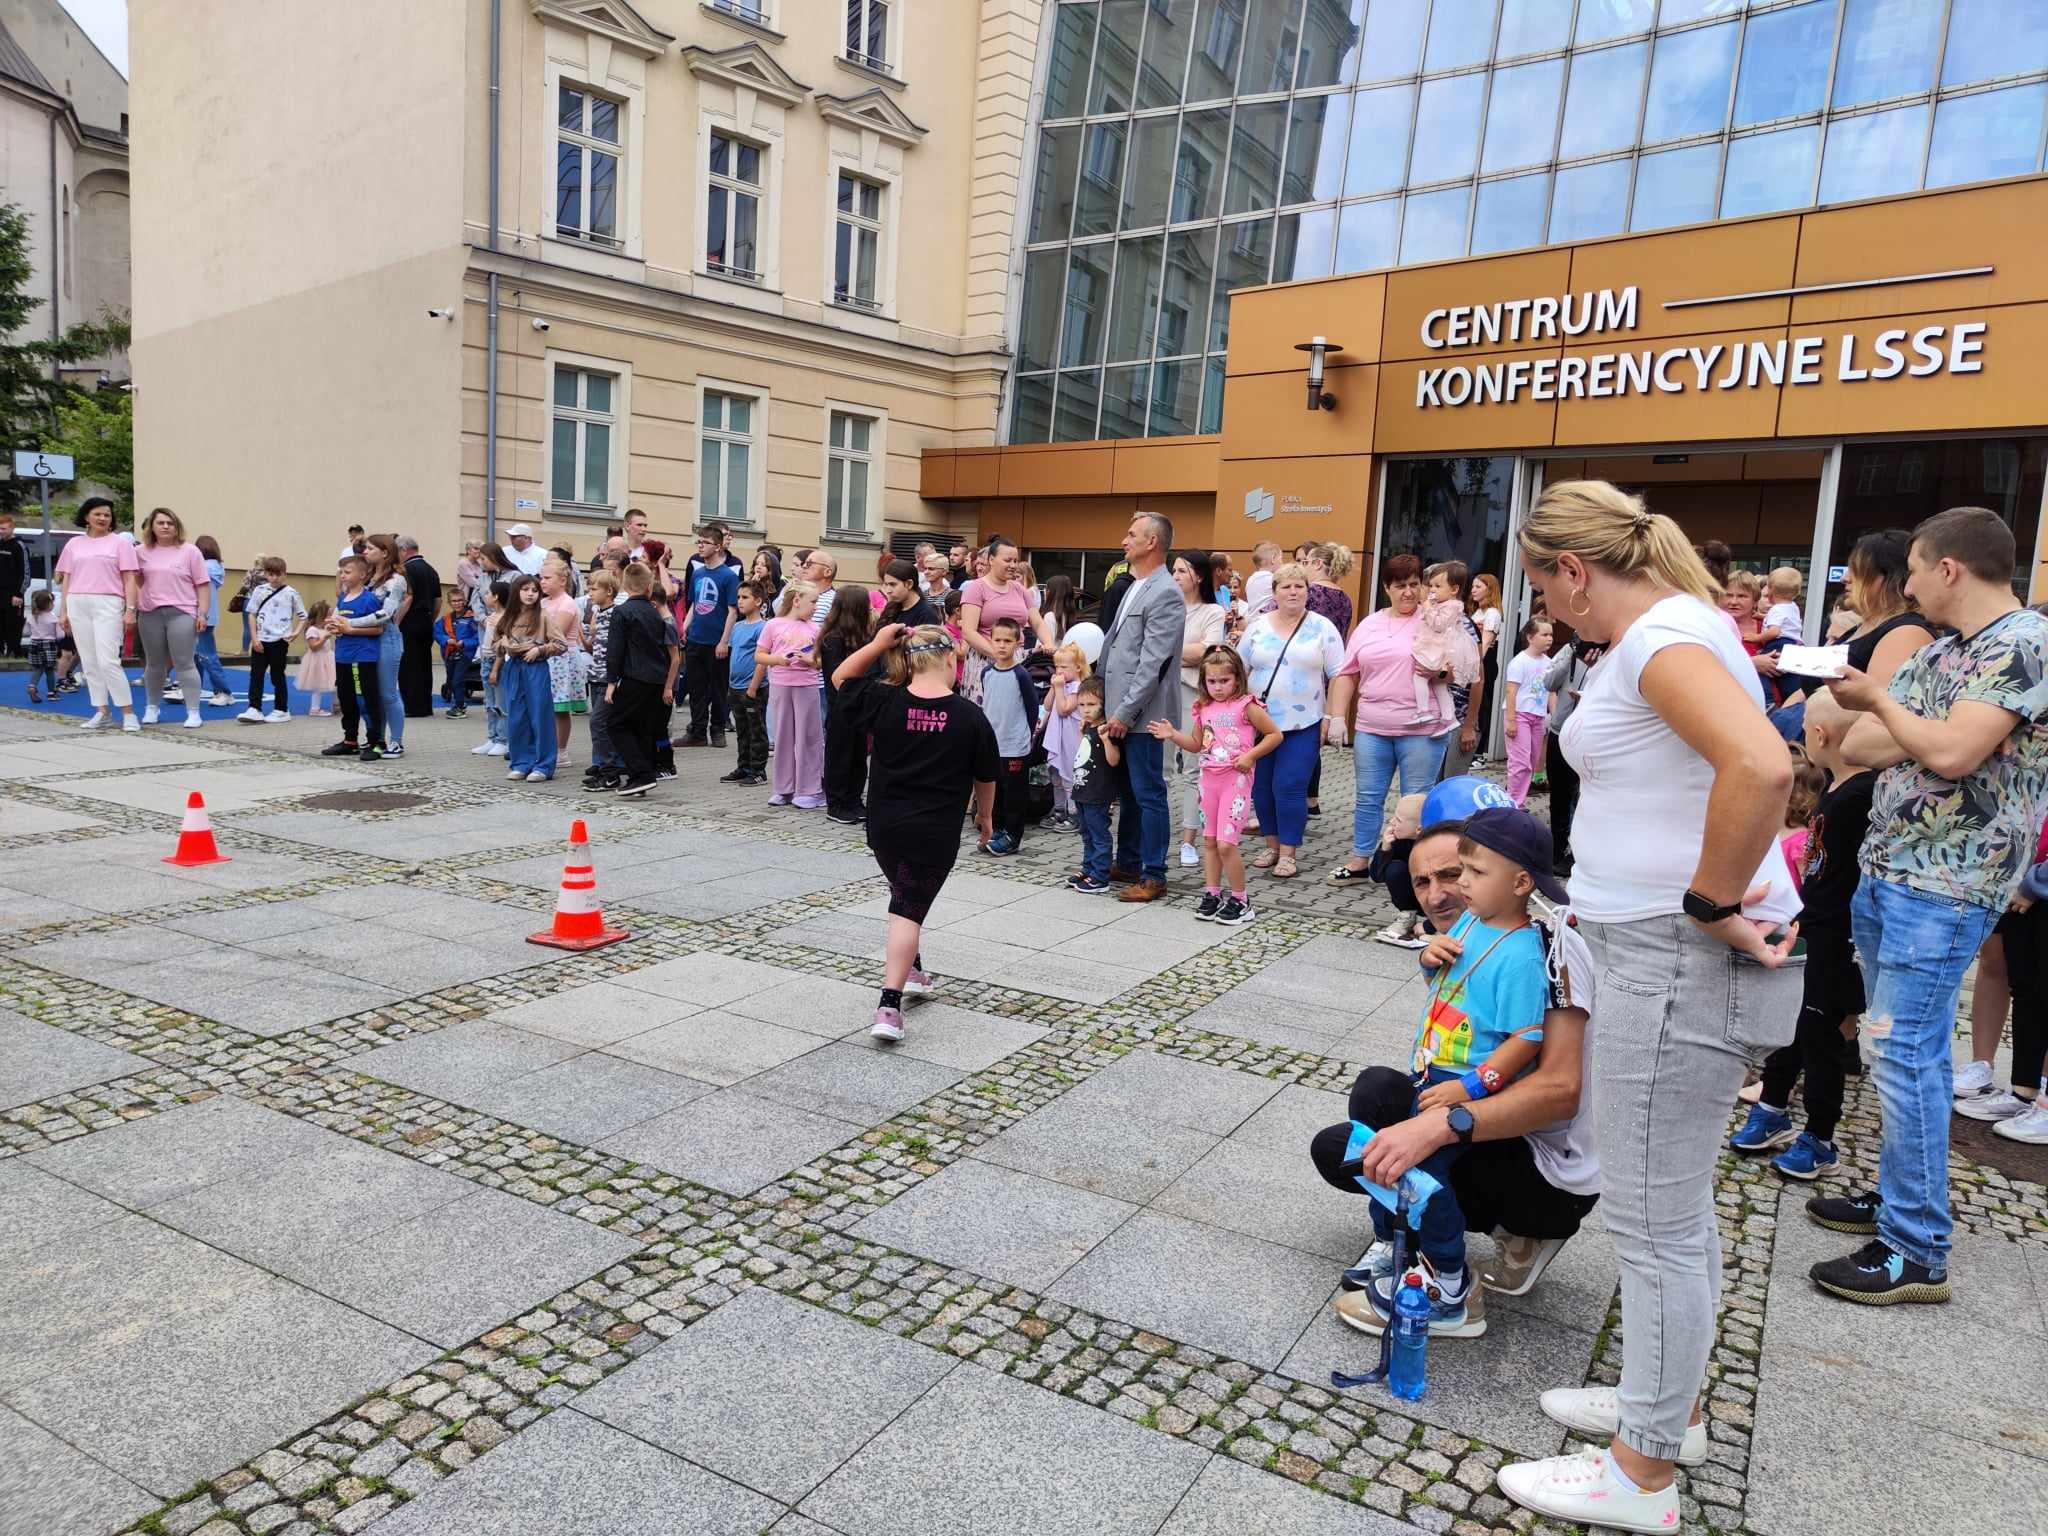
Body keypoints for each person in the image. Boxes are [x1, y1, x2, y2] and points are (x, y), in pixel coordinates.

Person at [1496, 480, 1800, 1536]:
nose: (1547, 611)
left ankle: (1641, 1471)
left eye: (1542, 588)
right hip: (1652, 952)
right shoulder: (1677, 627)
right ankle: (1668, 1408)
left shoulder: (1658, 636)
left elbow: (1761, 764)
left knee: (1652, 1223)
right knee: (1671, 1213)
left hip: (1671, 958)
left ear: (1571, 570)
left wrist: (1710, 898)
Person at [1817, 505, 2048, 1304]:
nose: (1905, 584)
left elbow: (1947, 750)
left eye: (1913, 569)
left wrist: (1889, 708)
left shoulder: (2024, 644)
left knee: (1910, 1054)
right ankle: (1901, 1197)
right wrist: (1905, 721)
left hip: (1947, 885)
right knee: (1891, 1048)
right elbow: (1859, 750)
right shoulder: (1947, 650)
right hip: (1892, 873)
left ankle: (1916, 1250)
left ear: (1949, 568)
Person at [1316, 815, 1604, 1318]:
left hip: (1535, 1154)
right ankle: (1398, 1242)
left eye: (1460, 873)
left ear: (1518, 882)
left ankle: (1449, 1283)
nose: (1445, 891)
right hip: (1457, 1090)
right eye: (1424, 881)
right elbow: (1463, 1000)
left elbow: (1553, 1079)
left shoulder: (1545, 947)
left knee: (1403, 1160)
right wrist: (1427, 961)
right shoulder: (1476, 921)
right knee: (1372, 1102)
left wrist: (1450, 1113)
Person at [1729, 691, 1874, 1180]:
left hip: (1836, 937)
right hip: (1807, 925)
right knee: (1789, 1024)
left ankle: (1821, 1136)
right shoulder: (1836, 787)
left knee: (1820, 1037)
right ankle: (1772, 1108)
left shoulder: (1861, 795)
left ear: (1820, 735)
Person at [834, 622, 998, 1041]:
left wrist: (874, 644)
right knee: (906, 906)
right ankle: (889, 1005)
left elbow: (841, 678)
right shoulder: (971, 716)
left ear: (907, 661)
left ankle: (914, 973)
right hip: (934, 832)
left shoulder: (883, 699)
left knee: (907, 895)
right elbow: (985, 778)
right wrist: (986, 818)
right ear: (950, 661)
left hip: (884, 827)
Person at [1325, 555, 1455, 884]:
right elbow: (1346, 673)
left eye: (1415, 585)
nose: (1409, 593)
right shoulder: (1370, 624)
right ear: (1387, 588)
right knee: (1368, 797)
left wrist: (1439, 671)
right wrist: (1337, 716)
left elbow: (1463, 669)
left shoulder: (1436, 620)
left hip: (1422, 729)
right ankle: (1360, 860)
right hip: (1372, 727)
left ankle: (1413, 867)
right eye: (1400, 586)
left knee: (1415, 800)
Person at [1147, 646, 1280, 925]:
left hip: (1236, 780)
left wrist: (1250, 755)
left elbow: (1274, 735)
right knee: (1209, 841)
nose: (1218, 687)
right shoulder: (1203, 708)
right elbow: (1196, 744)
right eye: (1212, 681)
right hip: (1209, 781)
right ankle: (1212, 893)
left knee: (1226, 844)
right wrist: (1172, 734)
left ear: (1237, 679)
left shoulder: (1248, 706)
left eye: (1224, 681)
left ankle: (1241, 900)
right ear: (1204, 682)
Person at [1234, 563, 1344, 881]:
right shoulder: (1257, 627)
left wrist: (1331, 717)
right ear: (1274, 593)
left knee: (1290, 786)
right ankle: (1271, 845)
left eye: (1299, 586)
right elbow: (1238, 667)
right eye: (1286, 587)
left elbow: (1339, 673)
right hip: (1259, 723)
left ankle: (1289, 852)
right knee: (1262, 789)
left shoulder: (1323, 628)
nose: (1293, 592)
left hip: (1304, 722)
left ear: (1308, 592)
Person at [1100, 513, 1184, 902]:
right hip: (1120, 710)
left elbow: (1153, 663)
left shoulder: (1165, 591)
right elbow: (1116, 647)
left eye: (1131, 534)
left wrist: (1125, 713)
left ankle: (1154, 873)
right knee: (1131, 794)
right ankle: (1129, 861)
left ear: (1152, 542)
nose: (1123, 540)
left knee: (1149, 793)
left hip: (1144, 716)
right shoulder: (1136, 585)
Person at [54, 498, 141, 732]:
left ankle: (128, 713)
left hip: (108, 602)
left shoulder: (120, 544)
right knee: (90, 662)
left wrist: (130, 610)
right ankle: (102, 711)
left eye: (107, 515)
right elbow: (67, 578)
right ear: (86, 517)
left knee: (108, 660)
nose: (103, 518)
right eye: (98, 514)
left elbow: (130, 578)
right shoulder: (74, 544)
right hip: (77, 602)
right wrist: (63, 611)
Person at [1171, 550, 1228, 869]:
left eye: (1182, 570)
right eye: (1174, 570)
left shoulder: (1211, 612)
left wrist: (1169, 650)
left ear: (1200, 576)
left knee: (1194, 768)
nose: (1175, 576)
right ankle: (1157, 834)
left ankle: (1189, 840)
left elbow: (1209, 651)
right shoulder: (1166, 607)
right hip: (1161, 692)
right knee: (1162, 769)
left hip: (1193, 695)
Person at [134, 508, 213, 729]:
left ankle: (193, 711)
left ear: (176, 526)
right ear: (152, 527)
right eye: (160, 523)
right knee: (154, 664)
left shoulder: (190, 552)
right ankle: (152, 707)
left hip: (183, 612)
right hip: (150, 613)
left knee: (184, 663)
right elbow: (137, 581)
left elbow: (202, 585)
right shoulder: (140, 551)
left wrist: (202, 613)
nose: (166, 526)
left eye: (170, 522)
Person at [603, 563, 671, 796]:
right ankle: (640, 778)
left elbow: (615, 650)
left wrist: (612, 682)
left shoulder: (621, 612)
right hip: (656, 678)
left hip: (634, 677)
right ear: (649, 587)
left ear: (623, 585)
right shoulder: (654, 612)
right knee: (642, 728)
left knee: (616, 724)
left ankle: (642, 774)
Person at [959, 535, 1053, 701]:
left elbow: (1037, 622)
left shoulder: (1019, 589)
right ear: (991, 560)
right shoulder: (976, 588)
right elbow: (968, 631)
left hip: (1016, 660)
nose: (1013, 565)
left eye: (1015, 561)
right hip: (985, 660)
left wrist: (1049, 643)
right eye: (1007, 560)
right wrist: (997, 653)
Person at [759, 582, 825, 808]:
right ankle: (783, 788)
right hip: (781, 685)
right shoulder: (773, 625)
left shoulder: (816, 629)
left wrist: (811, 662)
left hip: (807, 686)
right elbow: (760, 655)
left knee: (808, 738)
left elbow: (821, 661)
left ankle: (809, 789)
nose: (816, 606)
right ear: (797, 600)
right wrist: (778, 660)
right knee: (783, 737)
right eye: (813, 601)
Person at [498, 572, 565, 782]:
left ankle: (543, 765)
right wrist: (503, 645)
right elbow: (494, 645)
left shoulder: (544, 616)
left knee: (540, 716)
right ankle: (521, 762)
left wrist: (540, 650)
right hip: (514, 668)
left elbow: (561, 644)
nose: (530, 594)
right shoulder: (508, 617)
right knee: (517, 717)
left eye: (535, 590)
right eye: (525, 589)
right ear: (516, 591)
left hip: (535, 668)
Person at [978, 616, 1037, 855]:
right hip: (994, 745)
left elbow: (1032, 709)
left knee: (1014, 793)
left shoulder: (1021, 675)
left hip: (1015, 746)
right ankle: (998, 830)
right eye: (997, 640)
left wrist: (1025, 736)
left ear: (1017, 643)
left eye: (1007, 641)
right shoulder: (986, 673)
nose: (1002, 645)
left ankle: (1013, 834)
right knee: (997, 791)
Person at [818, 584, 876, 825]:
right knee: (840, 757)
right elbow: (838, 678)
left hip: (859, 706)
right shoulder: (833, 639)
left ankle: (853, 799)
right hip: (841, 708)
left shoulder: (863, 637)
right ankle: (837, 803)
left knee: (858, 757)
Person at [321, 554, 387, 761]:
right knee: (347, 699)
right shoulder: (342, 598)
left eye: (347, 572)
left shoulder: (369, 600)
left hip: (362, 657)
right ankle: (350, 740)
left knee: (365, 699)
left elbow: (378, 629)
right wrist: (333, 627)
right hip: (343, 656)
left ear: (362, 574)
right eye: (341, 572)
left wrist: (350, 630)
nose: (342, 576)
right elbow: (340, 623)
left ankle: (376, 742)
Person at [682, 524, 741, 747]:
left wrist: (724, 641)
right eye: (699, 541)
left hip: (717, 642)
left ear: (717, 547)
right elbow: (694, 604)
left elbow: (732, 611)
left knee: (718, 688)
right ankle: (697, 731)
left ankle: (718, 730)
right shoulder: (697, 573)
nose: (700, 545)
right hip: (696, 639)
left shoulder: (728, 576)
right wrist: (685, 627)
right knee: (696, 688)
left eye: (705, 542)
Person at [1409, 561, 1481, 726]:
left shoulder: (1451, 607)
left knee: (1419, 677)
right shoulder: (1444, 605)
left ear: (1454, 589)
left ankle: (1423, 710)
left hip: (1437, 652)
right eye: (1430, 585)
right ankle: (1449, 718)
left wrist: (1427, 606)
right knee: (1439, 685)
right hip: (1437, 650)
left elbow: (1438, 624)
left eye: (1437, 586)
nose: (1431, 590)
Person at [1066, 677, 1121, 892]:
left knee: (1099, 834)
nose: (1085, 710)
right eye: (1081, 705)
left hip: (1098, 792)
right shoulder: (1088, 728)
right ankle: (1088, 868)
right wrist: (1082, 733)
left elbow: (1113, 760)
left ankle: (1101, 874)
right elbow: (1086, 754)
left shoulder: (1107, 729)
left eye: (1091, 705)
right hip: (1083, 789)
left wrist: (1106, 740)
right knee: (1086, 832)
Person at [236, 556, 306, 723]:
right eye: (271, 574)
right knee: (256, 674)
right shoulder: (260, 591)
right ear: (266, 574)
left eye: (278, 574)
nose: (274, 578)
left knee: (277, 675)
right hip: (260, 639)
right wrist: (254, 638)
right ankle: (254, 708)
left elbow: (303, 615)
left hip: (279, 640)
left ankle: (281, 709)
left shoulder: (291, 593)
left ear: (285, 574)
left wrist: (295, 632)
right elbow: (251, 614)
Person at [362, 535, 411, 757]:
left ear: (384, 553)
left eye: (370, 548)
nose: (365, 551)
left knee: (388, 693)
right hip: (366, 638)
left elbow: (386, 613)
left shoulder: (396, 579)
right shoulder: (369, 577)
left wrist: (351, 624)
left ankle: (397, 741)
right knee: (372, 693)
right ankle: (377, 738)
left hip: (386, 637)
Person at [538, 559, 587, 768]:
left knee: (560, 708)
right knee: (544, 706)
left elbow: (555, 633)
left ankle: (561, 751)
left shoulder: (567, 603)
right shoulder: (543, 602)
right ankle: (544, 747)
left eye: (547, 578)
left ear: (563, 580)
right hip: (545, 657)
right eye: (541, 578)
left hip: (561, 659)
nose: (542, 582)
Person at [1501, 618, 1554, 806]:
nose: (1549, 638)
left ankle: (1517, 800)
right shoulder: (1519, 662)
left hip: (1537, 717)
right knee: (1520, 762)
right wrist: (1512, 721)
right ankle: (1514, 803)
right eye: (1544, 634)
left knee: (1531, 760)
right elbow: (1511, 692)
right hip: (1519, 715)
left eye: (1551, 635)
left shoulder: (1550, 663)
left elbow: (1551, 692)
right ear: (1531, 637)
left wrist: (1554, 718)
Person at [723, 580, 770, 786]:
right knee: (742, 730)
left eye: (745, 597)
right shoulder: (738, 626)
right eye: (739, 597)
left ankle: (758, 770)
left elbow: (762, 661)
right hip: (735, 687)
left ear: (758, 601)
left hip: (753, 688)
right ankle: (743, 766)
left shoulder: (763, 627)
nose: (740, 602)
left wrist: (753, 687)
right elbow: (736, 655)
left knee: (756, 731)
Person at [1043, 643, 1087, 829]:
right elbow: (1047, 705)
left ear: (1077, 667)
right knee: (1056, 775)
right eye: (1057, 667)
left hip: (1071, 738)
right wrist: (1054, 688)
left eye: (1064, 667)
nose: (1059, 671)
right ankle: (1059, 809)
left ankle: (1074, 813)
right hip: (1057, 737)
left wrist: (1060, 688)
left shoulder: (1077, 687)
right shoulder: (1061, 685)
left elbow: (1063, 710)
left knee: (1069, 775)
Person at [189, 534, 237, 705]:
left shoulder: (204, 567)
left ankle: (224, 691)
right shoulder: (217, 567)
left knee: (205, 655)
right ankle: (193, 687)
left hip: (202, 614)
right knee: (198, 655)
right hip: (208, 615)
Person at [396, 536, 441, 717]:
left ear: (404, 550)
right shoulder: (431, 570)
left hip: (409, 620)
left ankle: (412, 707)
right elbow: (438, 600)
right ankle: (425, 706)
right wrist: (430, 620)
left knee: (408, 666)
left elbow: (406, 598)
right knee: (424, 665)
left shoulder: (405, 570)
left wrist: (396, 621)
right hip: (426, 620)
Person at [469, 581, 509, 756]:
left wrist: (495, 669)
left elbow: (502, 647)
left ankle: (503, 739)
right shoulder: (491, 616)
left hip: (496, 663)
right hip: (486, 661)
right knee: (490, 703)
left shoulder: (505, 618)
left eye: (488, 594)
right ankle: (492, 737)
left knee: (500, 703)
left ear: (496, 597)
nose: (485, 597)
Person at [436, 589, 479, 721]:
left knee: (458, 680)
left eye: (460, 600)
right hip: (449, 653)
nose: (457, 603)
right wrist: (445, 640)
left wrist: (465, 643)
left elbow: (478, 637)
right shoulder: (446, 619)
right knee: (451, 679)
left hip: (465, 654)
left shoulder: (472, 618)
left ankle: (459, 706)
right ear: (449, 603)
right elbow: (437, 633)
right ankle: (458, 702)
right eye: (454, 601)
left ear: (465, 601)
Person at [877, 559, 941, 630]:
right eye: (886, 584)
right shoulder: (891, 608)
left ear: (909, 584)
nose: (888, 590)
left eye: (893, 584)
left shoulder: (927, 614)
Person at [298, 599, 336, 717]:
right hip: (318, 660)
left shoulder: (323, 628)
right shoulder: (312, 630)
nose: (330, 617)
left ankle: (337, 705)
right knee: (318, 685)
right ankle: (315, 708)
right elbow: (313, 647)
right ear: (320, 617)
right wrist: (324, 638)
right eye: (328, 615)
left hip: (328, 658)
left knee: (335, 682)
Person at [0, 511, 28, 657]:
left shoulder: (19, 546)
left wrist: (19, 594)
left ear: (12, 528)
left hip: (13, 595)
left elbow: (26, 573)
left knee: (13, 625)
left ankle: (14, 652)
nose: (1, 531)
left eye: (3, 528)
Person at [23, 590, 60, 700]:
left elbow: (25, 632)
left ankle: (32, 686)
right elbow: (60, 635)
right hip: (48, 645)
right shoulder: (53, 617)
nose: (53, 604)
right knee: (49, 670)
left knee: (37, 668)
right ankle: (51, 693)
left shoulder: (32, 616)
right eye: (52, 602)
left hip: (34, 644)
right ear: (47, 604)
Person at [1763, 566, 1805, 645]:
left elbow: (1774, 632)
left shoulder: (1776, 609)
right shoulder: (1793, 606)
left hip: (1779, 643)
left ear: (1771, 591)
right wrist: (1760, 616)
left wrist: (1757, 637)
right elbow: (1783, 619)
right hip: (1795, 643)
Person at [1242, 539, 1281, 618]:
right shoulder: (1273, 579)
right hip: (1267, 623)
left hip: (1252, 624)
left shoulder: (1250, 580)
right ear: (1273, 559)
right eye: (1280, 559)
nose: (1282, 563)